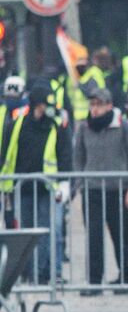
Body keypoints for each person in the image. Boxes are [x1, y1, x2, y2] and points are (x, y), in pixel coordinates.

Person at [0, 86, 73, 284]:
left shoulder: (57, 125)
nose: (47, 109)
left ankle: (52, 273)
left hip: (49, 189)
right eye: (43, 105)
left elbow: (65, 154)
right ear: (34, 105)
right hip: (22, 189)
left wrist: (65, 183)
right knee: (26, 234)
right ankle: (30, 273)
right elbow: (7, 154)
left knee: (53, 231)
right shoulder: (17, 125)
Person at [72, 88, 128, 294]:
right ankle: (94, 281)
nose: (95, 109)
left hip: (117, 189)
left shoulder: (123, 125)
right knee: (93, 236)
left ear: (109, 105)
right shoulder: (84, 127)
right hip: (92, 189)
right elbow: (78, 157)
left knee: (121, 235)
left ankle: (126, 279)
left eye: (99, 105)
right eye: (92, 105)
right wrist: (80, 182)